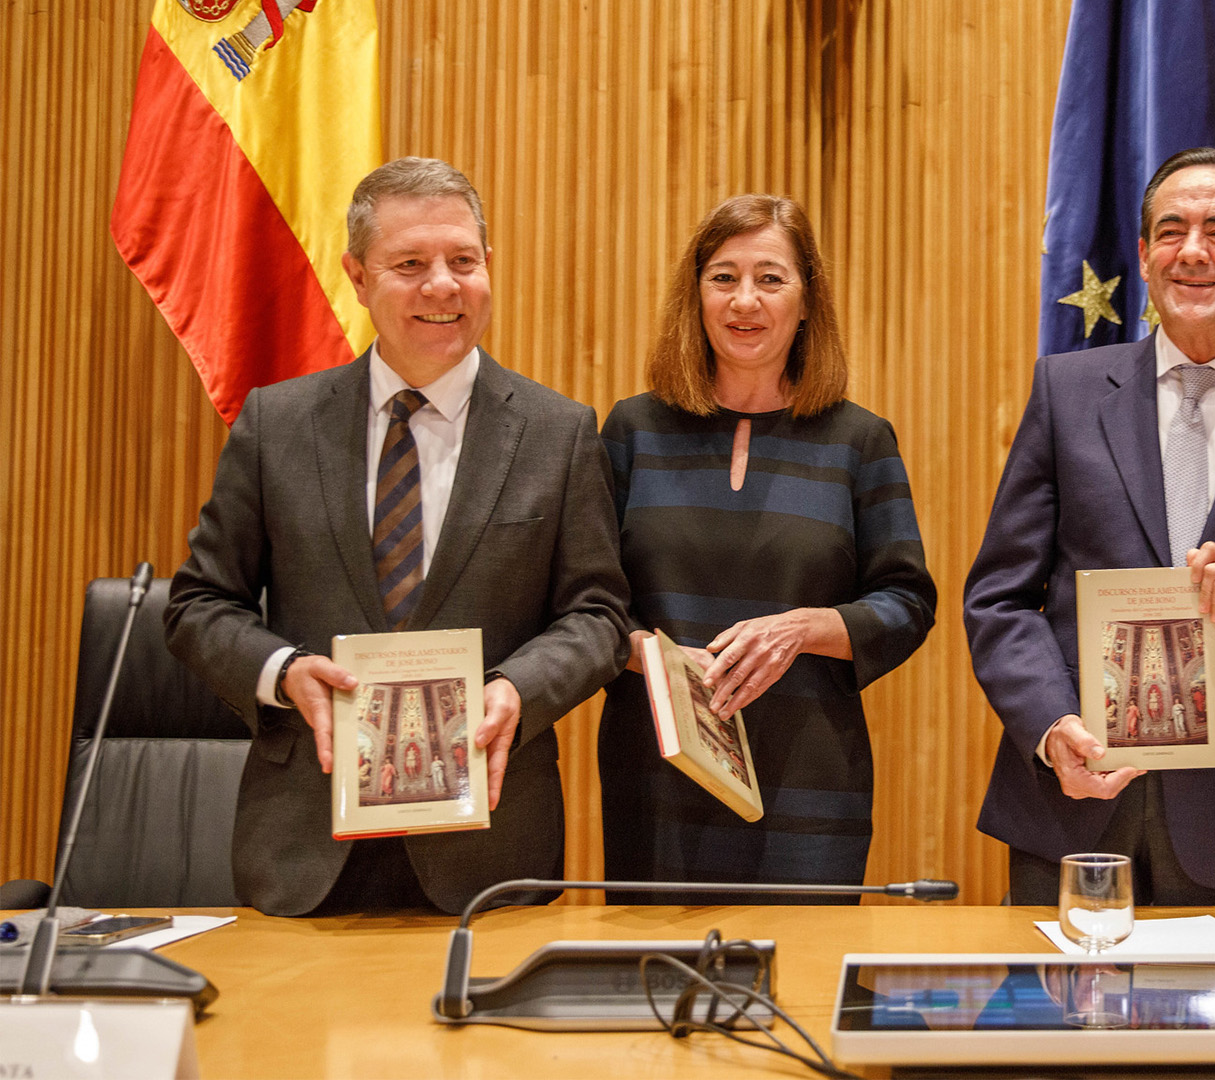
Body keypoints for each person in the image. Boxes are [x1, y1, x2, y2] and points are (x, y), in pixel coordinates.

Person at [165, 157, 630, 916]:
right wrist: (284, 671)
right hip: (306, 842)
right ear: (357, 277)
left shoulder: (559, 432)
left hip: (489, 848)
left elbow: (599, 615)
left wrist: (519, 687)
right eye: (410, 264)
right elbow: (198, 606)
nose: (442, 286)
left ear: (488, 265)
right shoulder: (278, 424)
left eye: (463, 261)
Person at [966, 147, 1215, 905]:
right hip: (1073, 803)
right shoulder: (1066, 394)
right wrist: (1050, 726)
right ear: (1145, 256)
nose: (1193, 251)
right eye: (1172, 231)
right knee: (1063, 991)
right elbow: (1000, 598)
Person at [598, 194, 936, 903]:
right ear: (695, 295)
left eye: (770, 279)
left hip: (810, 785)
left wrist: (804, 629)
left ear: (807, 301)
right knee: (657, 971)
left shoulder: (859, 440)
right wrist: (653, 658)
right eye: (723, 278)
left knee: (799, 967)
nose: (744, 300)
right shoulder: (633, 431)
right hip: (657, 775)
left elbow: (907, 603)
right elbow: (588, 604)